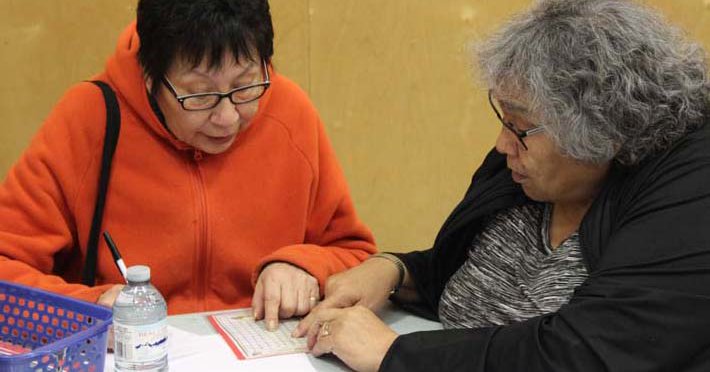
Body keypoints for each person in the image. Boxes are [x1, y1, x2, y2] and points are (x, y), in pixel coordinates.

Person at [295, 0, 710, 370]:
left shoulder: (689, 196)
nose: (502, 144)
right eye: (506, 119)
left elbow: (584, 351)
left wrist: (393, 354)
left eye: (522, 125)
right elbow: (462, 270)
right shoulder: (524, 167)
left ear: (602, 131)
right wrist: (394, 270)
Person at [0, 0, 375, 330]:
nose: (227, 117)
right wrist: (91, 309)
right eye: (199, 95)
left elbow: (358, 257)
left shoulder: (291, 114)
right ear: (149, 76)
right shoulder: (89, 120)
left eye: (245, 86)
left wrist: (304, 265)